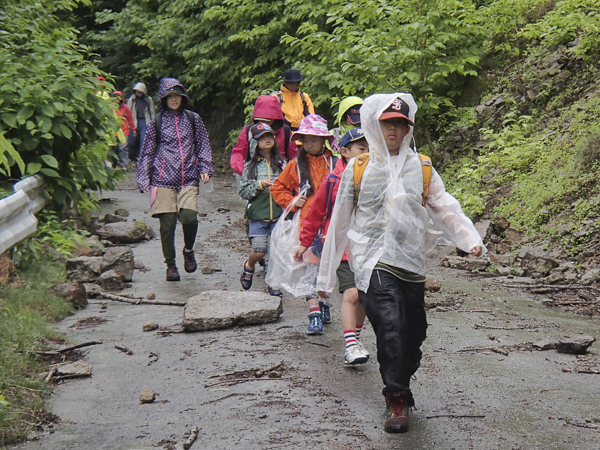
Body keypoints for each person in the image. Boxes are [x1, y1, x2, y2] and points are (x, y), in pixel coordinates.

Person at [316, 93, 484, 433]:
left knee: (412, 333)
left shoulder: (420, 167)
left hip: (411, 263)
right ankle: (397, 399)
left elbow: (444, 206)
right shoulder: (359, 167)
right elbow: (340, 222)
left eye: (399, 124)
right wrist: (326, 278)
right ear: (376, 126)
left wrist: (469, 239)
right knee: (390, 325)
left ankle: (401, 376)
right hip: (372, 262)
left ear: (407, 129)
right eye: (387, 123)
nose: (393, 130)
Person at [293, 128, 370, 364]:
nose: (368, 153)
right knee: (353, 294)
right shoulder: (333, 180)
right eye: (362, 149)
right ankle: (350, 346)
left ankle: (354, 339)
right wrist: (304, 243)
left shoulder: (376, 178)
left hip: (368, 248)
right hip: (342, 247)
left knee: (364, 297)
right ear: (344, 152)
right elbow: (315, 214)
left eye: (370, 149)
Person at [136, 78, 213, 282]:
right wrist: (144, 179)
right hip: (162, 179)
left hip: (188, 177)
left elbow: (203, 144)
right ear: (163, 99)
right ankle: (170, 264)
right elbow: (147, 152)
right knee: (167, 224)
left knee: (189, 217)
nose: (174, 100)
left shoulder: (193, 118)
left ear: (183, 97)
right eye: (170, 96)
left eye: (177, 96)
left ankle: (188, 250)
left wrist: (205, 167)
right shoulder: (157, 123)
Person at [271, 114, 336, 335]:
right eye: (305, 139)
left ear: (324, 140)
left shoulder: (335, 163)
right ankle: (314, 314)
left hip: (332, 225)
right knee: (309, 270)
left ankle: (325, 304)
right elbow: (277, 188)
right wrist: (291, 201)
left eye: (314, 139)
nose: (309, 143)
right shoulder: (296, 165)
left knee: (327, 268)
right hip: (306, 227)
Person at [239, 123, 286, 297]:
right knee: (259, 251)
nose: (267, 140)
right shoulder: (249, 167)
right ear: (254, 142)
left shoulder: (282, 164)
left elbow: (290, 185)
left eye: (269, 136)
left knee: (276, 251)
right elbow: (243, 192)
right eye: (262, 137)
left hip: (279, 213)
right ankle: (249, 266)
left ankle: (273, 284)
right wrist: (258, 185)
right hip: (258, 215)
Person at [230, 95, 297, 176]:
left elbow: (295, 157)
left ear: (276, 118)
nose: (264, 123)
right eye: (260, 120)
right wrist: (245, 172)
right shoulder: (249, 131)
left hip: (281, 176)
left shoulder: (285, 131)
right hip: (254, 176)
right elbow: (238, 154)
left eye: (268, 121)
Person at [128, 82, 156, 164]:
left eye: (140, 92)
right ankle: (132, 157)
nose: (138, 94)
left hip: (145, 121)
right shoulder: (132, 99)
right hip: (133, 121)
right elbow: (128, 111)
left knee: (144, 141)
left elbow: (152, 111)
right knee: (131, 142)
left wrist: (153, 123)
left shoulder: (148, 99)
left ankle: (141, 159)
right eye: (137, 92)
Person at [111, 91, 136, 168]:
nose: (116, 100)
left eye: (118, 99)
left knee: (123, 148)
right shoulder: (111, 107)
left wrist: (133, 129)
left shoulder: (125, 108)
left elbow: (130, 119)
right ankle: (113, 164)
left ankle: (123, 165)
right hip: (113, 131)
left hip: (124, 130)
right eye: (115, 98)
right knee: (112, 148)